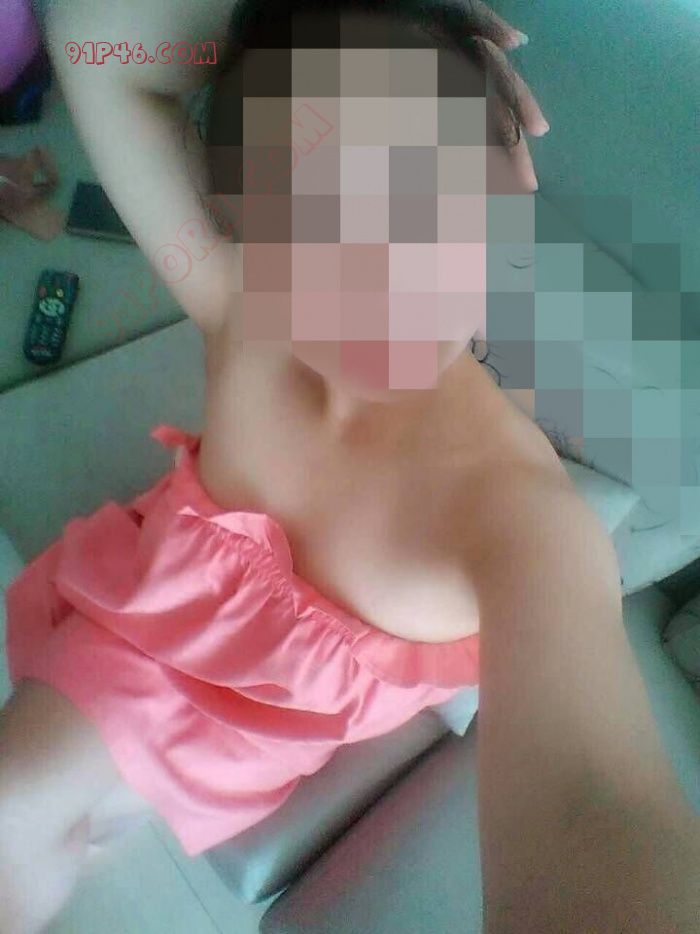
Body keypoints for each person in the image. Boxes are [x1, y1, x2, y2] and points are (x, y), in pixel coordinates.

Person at [0, 3, 698, 933]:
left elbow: (592, 811)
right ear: (241, 219)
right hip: (133, 608)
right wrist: (278, 13)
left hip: (251, 738)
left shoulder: (520, 520)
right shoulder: (239, 304)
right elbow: (94, 41)